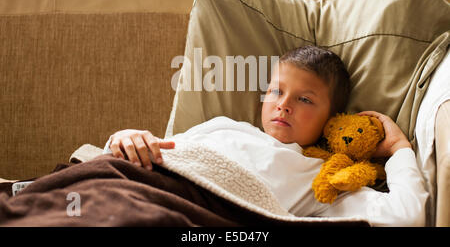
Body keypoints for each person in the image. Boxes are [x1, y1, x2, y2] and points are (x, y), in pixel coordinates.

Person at [103, 45, 428, 226]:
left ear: (331, 120)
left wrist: (399, 148)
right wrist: (125, 138)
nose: (283, 105)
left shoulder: (322, 182)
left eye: (304, 99)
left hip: (188, 213)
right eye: (276, 91)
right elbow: (162, 153)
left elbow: (405, 216)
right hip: (129, 183)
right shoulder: (222, 125)